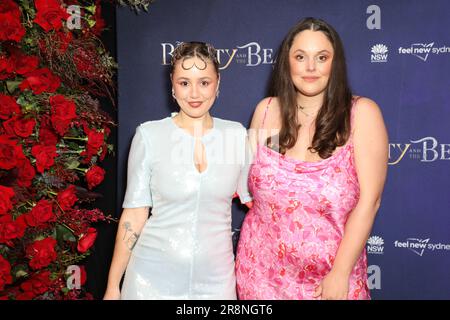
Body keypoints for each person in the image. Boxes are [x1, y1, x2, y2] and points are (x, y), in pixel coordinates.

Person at [235, 17, 388, 300]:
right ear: (287, 62)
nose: (310, 67)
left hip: (330, 280)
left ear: (335, 63)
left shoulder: (361, 114)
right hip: (259, 276)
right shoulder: (266, 111)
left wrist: (340, 273)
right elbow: (239, 183)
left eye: (321, 57)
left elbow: (370, 201)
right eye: (300, 56)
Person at [103, 42, 252, 300]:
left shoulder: (236, 136)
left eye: (204, 82)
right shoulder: (149, 135)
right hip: (150, 281)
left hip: (217, 283)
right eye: (184, 83)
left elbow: (261, 202)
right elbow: (135, 214)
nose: (194, 93)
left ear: (218, 83)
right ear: (172, 85)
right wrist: (113, 286)